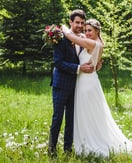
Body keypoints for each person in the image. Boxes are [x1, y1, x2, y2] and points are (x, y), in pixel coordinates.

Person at [61, 19, 132, 158]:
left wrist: (63, 27)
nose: (86, 33)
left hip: (86, 83)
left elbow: (70, 36)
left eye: (89, 30)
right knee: (91, 113)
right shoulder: (99, 43)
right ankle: (89, 139)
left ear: (97, 30)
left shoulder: (92, 43)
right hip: (89, 80)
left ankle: (90, 143)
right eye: (85, 30)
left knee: (87, 113)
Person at [48, 9, 95, 157]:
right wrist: (79, 68)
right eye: (77, 22)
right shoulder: (60, 39)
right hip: (61, 84)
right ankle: (51, 150)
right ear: (71, 22)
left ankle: (67, 150)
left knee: (71, 120)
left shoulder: (82, 39)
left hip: (76, 86)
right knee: (57, 118)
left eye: (82, 22)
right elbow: (58, 63)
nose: (80, 25)